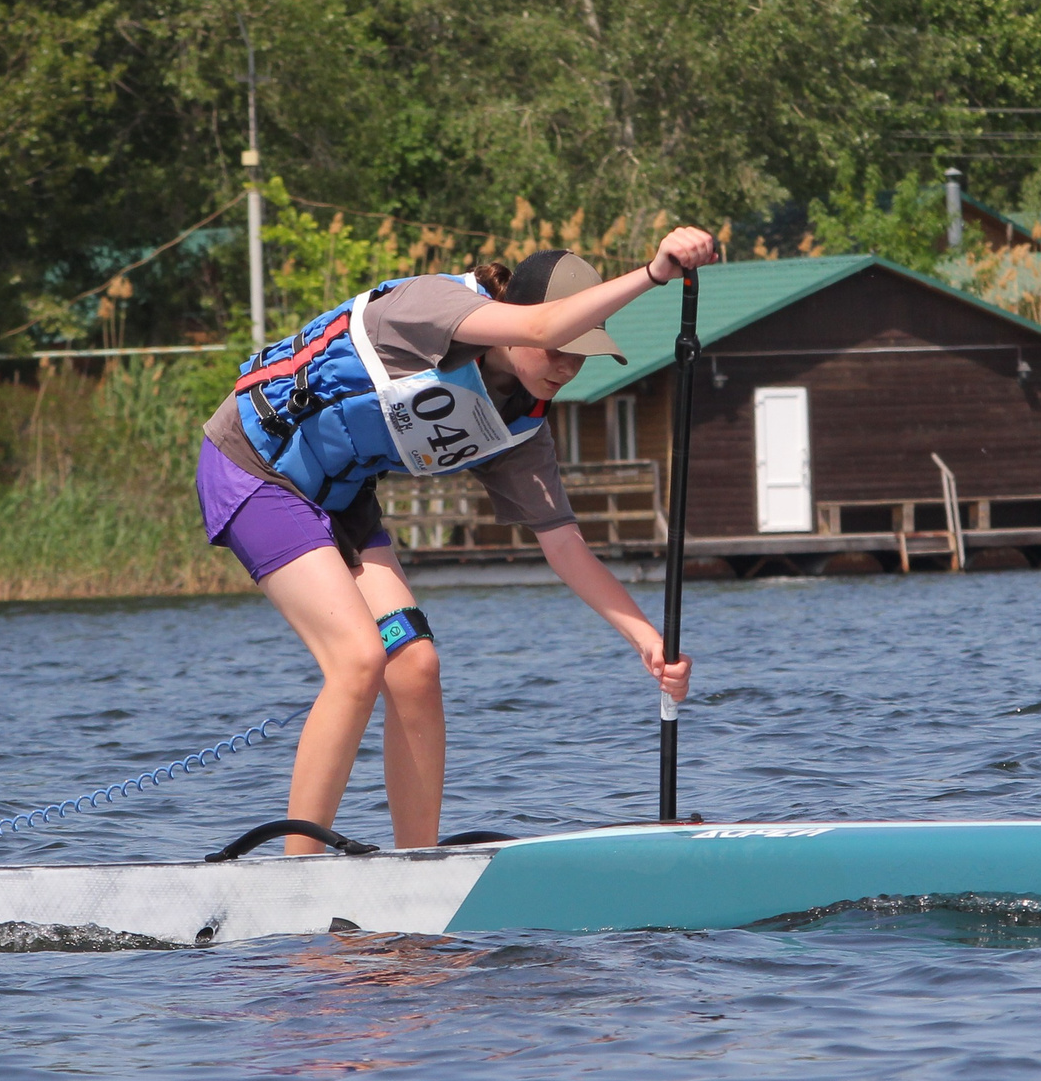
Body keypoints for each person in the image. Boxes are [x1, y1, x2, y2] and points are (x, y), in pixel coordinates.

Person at [197, 227, 718, 853]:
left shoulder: (520, 426)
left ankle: (417, 867)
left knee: (415, 666)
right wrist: (654, 273)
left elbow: (566, 546)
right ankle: (297, 872)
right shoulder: (427, 308)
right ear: (518, 319)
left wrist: (651, 642)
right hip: (253, 466)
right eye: (560, 348)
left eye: (581, 356)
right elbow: (540, 327)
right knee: (359, 659)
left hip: (339, 502)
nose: (566, 366)